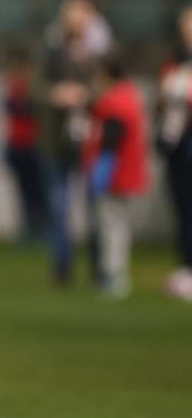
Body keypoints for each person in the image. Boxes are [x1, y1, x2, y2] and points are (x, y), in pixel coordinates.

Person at [39, 0, 112, 284]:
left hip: (89, 141)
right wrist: (56, 93)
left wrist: (83, 94)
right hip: (56, 140)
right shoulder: (51, 51)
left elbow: (106, 86)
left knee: (96, 206)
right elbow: (36, 86)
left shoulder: (97, 55)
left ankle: (99, 267)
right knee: (59, 207)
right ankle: (62, 267)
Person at [83, 57, 150, 299]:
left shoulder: (115, 100)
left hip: (117, 174)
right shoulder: (131, 95)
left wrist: (102, 171)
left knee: (111, 225)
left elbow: (112, 138)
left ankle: (113, 275)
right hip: (128, 173)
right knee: (119, 225)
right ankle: (116, 274)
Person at [157, 5, 192, 301]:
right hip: (177, 143)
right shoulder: (175, 60)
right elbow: (163, 100)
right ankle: (185, 268)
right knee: (182, 207)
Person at [2, 49, 49, 243]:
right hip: (17, 146)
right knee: (24, 192)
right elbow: (10, 107)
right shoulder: (13, 86)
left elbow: (33, 109)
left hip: (33, 146)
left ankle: (40, 229)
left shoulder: (32, 87)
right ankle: (29, 229)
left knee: (38, 191)